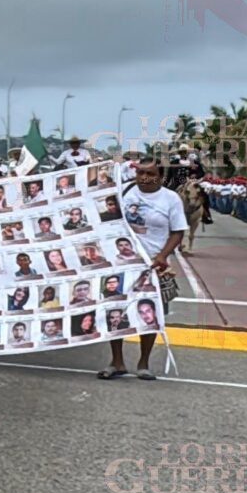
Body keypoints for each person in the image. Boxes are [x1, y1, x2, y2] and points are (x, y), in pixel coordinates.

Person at [101, 158, 186, 381]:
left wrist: (162, 256)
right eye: (141, 173)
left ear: (161, 177)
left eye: (151, 174)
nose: (145, 178)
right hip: (123, 262)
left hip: (153, 265)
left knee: (151, 313)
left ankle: (143, 362)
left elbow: (178, 231)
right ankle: (116, 361)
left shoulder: (171, 199)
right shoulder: (125, 192)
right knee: (116, 310)